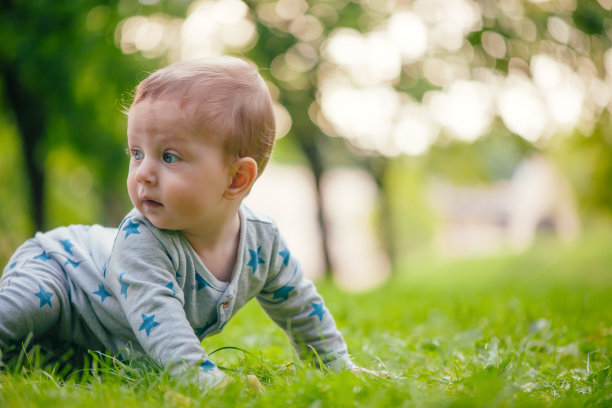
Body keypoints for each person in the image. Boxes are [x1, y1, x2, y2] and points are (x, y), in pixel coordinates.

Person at [0, 57, 367, 388]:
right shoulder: (141, 238)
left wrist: (336, 365)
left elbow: (300, 305)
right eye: (136, 153)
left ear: (237, 178)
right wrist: (207, 381)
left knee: (58, 367)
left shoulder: (261, 240)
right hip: (59, 269)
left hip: (92, 347)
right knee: (26, 306)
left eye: (169, 156)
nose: (143, 172)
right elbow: (163, 325)